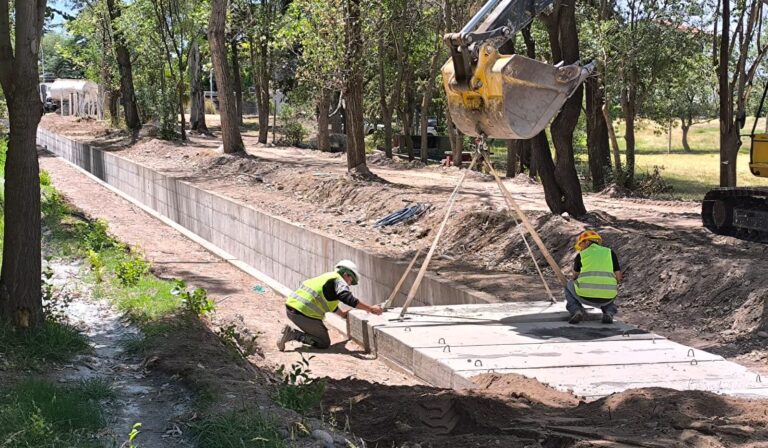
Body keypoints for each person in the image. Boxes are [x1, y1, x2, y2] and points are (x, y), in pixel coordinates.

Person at [277, 260, 383, 351]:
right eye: (351, 280)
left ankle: (292, 333)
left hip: (291, 308)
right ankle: (292, 334)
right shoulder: (339, 281)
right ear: (346, 274)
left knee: (320, 334)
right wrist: (371, 308)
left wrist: (345, 314)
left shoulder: (327, 278)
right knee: (323, 342)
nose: (349, 285)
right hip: (303, 314)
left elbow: (333, 307)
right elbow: (347, 298)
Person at [565, 230, 623, 325]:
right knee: (610, 290)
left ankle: (576, 311)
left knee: (568, 285)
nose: (581, 248)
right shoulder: (609, 253)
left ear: (587, 241)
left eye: (581, 244)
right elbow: (618, 277)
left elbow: (575, 276)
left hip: (584, 295)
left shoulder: (581, 255)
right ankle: (609, 312)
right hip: (607, 297)